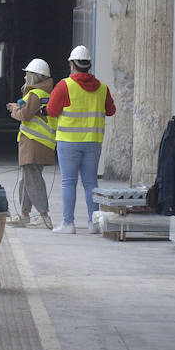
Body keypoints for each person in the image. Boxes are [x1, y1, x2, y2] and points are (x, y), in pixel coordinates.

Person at [46, 46, 117, 235]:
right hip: (93, 142)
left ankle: (68, 224)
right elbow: (111, 111)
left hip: (69, 142)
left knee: (69, 182)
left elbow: (51, 111)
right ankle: (94, 223)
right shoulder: (102, 88)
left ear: (72, 64)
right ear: (90, 64)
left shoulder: (64, 86)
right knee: (91, 183)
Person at [6, 58, 56, 229]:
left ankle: (44, 215)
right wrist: (19, 107)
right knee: (28, 179)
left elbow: (25, 115)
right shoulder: (46, 94)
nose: (25, 78)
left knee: (33, 179)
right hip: (42, 144)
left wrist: (14, 111)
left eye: (27, 74)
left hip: (33, 144)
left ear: (34, 76)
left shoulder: (35, 94)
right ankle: (25, 214)